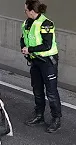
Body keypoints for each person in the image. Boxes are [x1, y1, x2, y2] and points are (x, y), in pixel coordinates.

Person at [20, 0, 61, 133]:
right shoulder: (27, 23)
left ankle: (56, 119)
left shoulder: (46, 24)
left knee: (51, 92)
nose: (24, 12)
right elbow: (23, 38)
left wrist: (30, 49)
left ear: (32, 11)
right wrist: (23, 48)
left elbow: (47, 45)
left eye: (26, 10)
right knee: (37, 90)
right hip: (35, 61)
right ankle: (39, 115)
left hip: (47, 62)